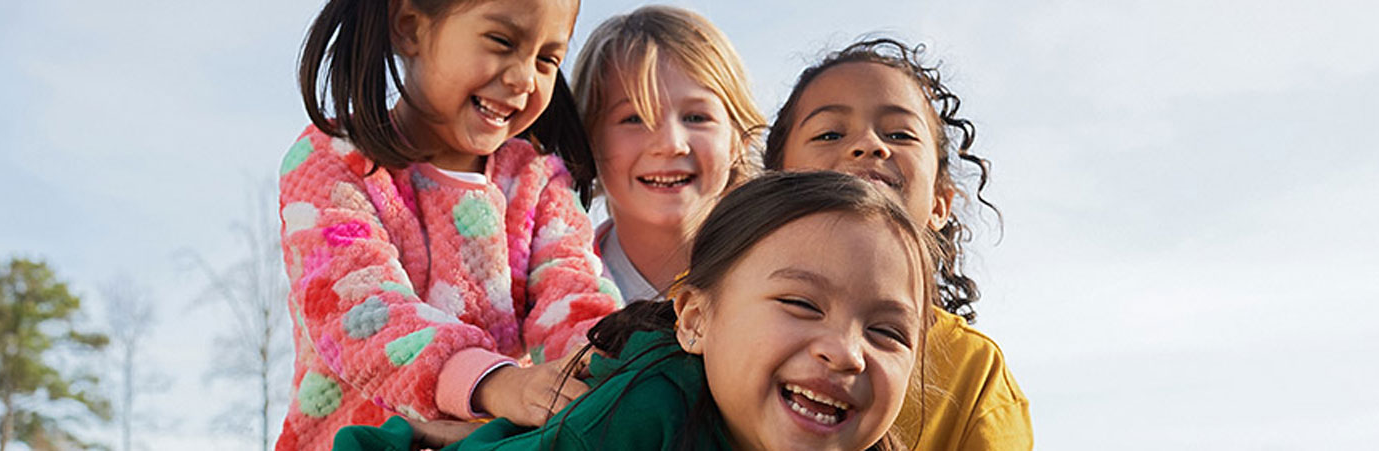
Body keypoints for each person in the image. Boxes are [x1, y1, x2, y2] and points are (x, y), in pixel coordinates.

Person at [337, 170, 945, 450]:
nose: (845, 350)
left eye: (888, 332)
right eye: (800, 303)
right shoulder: (648, 408)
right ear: (695, 319)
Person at [274, 0, 622, 448]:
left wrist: (614, 367)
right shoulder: (331, 162)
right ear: (410, 28)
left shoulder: (538, 180)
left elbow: (574, 299)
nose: (523, 78)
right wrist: (496, 384)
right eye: (501, 41)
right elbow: (360, 313)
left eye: (546, 59)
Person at [766, 38, 1033, 450]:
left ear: (941, 203)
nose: (869, 144)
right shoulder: (713, 307)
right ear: (770, 187)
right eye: (830, 133)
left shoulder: (974, 373)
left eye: (900, 134)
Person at [568, 5, 766, 303]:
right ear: (588, 141)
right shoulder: (549, 297)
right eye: (635, 119)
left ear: (740, 138)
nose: (671, 144)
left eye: (696, 117)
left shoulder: (787, 277)